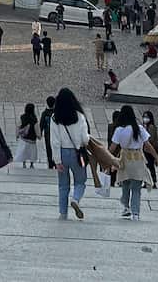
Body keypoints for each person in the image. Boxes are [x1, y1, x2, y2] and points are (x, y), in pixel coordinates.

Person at [110, 105, 158, 220]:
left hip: (125, 159)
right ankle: (135, 213)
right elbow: (148, 146)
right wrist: (156, 157)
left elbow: (112, 148)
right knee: (136, 188)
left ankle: (126, 207)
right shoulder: (140, 129)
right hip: (137, 159)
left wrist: (106, 159)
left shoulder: (119, 130)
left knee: (125, 185)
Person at [50, 87, 91, 220]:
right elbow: (85, 139)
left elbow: (54, 141)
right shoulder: (79, 116)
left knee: (63, 185)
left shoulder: (55, 118)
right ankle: (76, 199)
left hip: (61, 153)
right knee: (81, 181)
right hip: (77, 154)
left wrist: (57, 160)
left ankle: (63, 212)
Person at [15, 103, 40, 168]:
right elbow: (36, 128)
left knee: (24, 151)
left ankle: (24, 163)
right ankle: (31, 164)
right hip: (32, 139)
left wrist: (17, 134)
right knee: (32, 152)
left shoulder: (22, 117)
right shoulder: (34, 119)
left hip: (24, 138)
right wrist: (39, 136)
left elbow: (18, 126)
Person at [141, 110, 158, 188]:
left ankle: (153, 181)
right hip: (146, 149)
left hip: (150, 149)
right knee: (147, 166)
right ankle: (147, 181)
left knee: (150, 166)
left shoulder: (151, 127)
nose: (145, 118)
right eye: (144, 117)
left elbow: (151, 139)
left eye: (147, 117)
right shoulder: (145, 127)